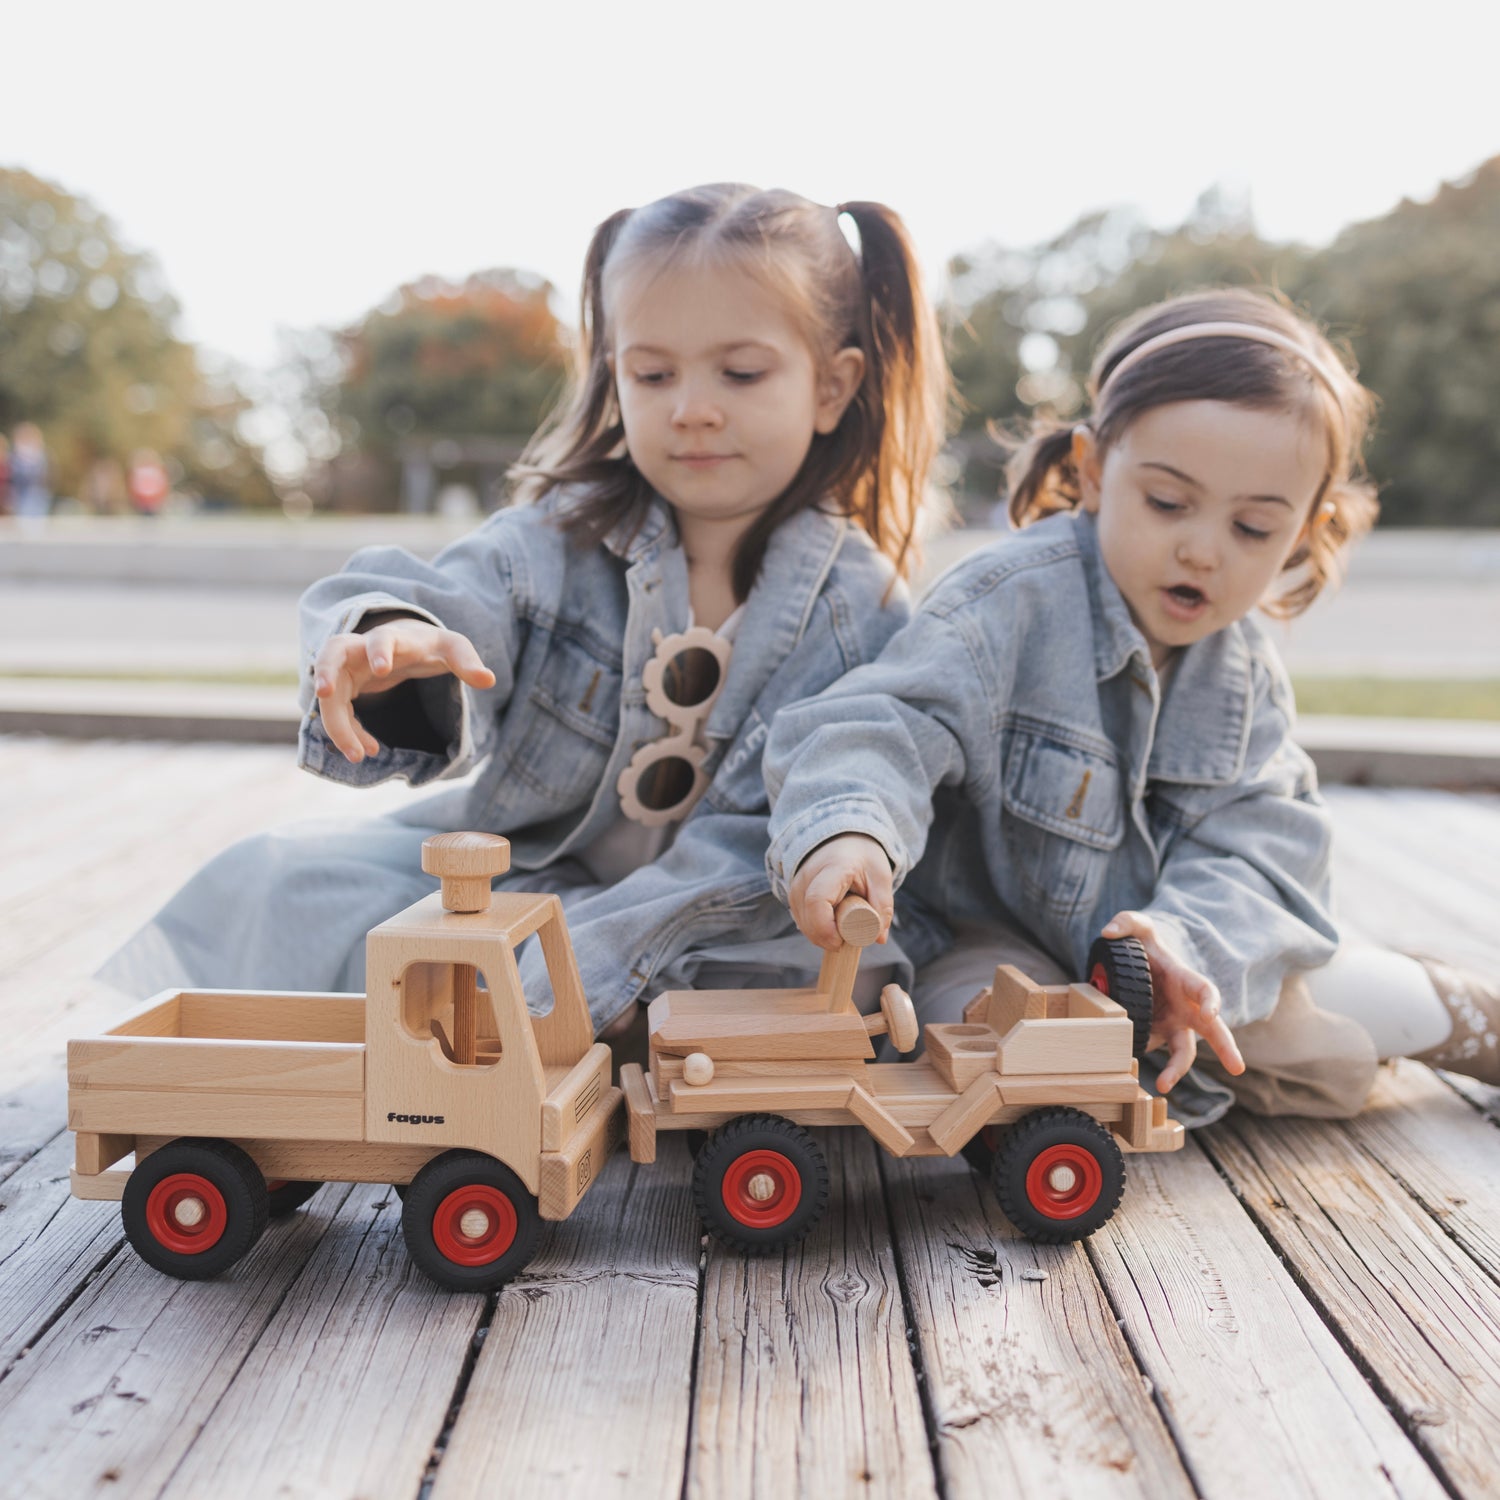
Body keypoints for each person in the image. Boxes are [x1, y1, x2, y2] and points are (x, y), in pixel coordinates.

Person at [101, 183, 951, 1033]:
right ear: (614, 374)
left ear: (834, 386)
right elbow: (461, 599)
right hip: (522, 881)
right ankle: (525, 1016)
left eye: (740, 371)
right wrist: (396, 641)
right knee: (283, 876)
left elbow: (835, 788)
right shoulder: (559, 536)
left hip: (718, 915)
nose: (691, 407)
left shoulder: (859, 603)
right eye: (652, 373)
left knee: (850, 964)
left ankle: (547, 1014)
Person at [764, 287, 1500, 1124]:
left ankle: (1459, 1010)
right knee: (975, 1053)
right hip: (990, 939)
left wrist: (1178, 944)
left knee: (1309, 1036)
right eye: (1168, 503)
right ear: (1091, 471)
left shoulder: (1243, 672)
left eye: (1253, 528)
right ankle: (1047, 1128)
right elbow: (887, 725)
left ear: (1302, 530)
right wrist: (852, 827)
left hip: (1165, 958)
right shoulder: (1006, 603)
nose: (1202, 548)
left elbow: (1262, 845)